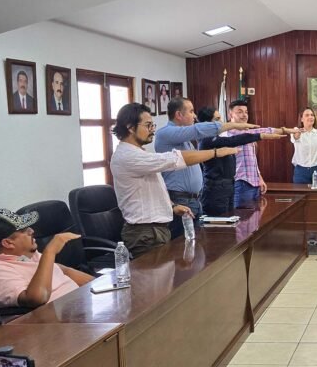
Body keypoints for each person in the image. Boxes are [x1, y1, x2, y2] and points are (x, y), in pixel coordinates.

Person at [110, 103, 239, 257]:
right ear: (130, 127)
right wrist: (215, 153)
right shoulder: (128, 156)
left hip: (155, 229)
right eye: (148, 125)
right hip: (145, 233)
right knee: (157, 273)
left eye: (152, 125)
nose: (152, 130)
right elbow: (174, 159)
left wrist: (172, 206)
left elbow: (152, 189)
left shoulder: (139, 154)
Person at [153, 97, 265, 237]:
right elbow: (198, 130)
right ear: (179, 115)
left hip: (194, 198)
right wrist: (232, 126)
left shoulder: (184, 138)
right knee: (182, 242)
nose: (194, 116)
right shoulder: (166, 133)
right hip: (180, 198)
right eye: (191, 111)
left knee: (200, 239)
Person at [0, 209, 94, 308]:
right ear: (8, 243)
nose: (31, 231)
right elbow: (37, 299)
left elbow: (61, 270)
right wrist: (50, 252)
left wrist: (98, 284)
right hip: (49, 321)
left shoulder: (21, 255)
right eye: (25, 231)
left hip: (76, 304)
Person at [196, 106, 290, 216]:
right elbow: (234, 140)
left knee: (231, 219)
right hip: (216, 188)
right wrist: (261, 135)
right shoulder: (207, 140)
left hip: (227, 185)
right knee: (222, 221)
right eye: (217, 119)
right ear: (207, 124)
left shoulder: (217, 138)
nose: (221, 122)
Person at [228, 100, 289, 208]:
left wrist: (259, 178)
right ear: (230, 114)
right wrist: (284, 130)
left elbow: (252, 161)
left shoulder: (248, 133)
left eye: (246, 112)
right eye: (240, 112)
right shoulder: (228, 134)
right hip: (240, 182)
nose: (244, 115)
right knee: (242, 215)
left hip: (254, 183)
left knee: (254, 216)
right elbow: (265, 131)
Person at [291, 107, 317, 185]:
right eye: (307, 115)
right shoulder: (296, 131)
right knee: (299, 193)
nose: (310, 117)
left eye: (312, 115)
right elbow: (295, 138)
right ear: (301, 119)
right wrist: (298, 132)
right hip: (301, 171)